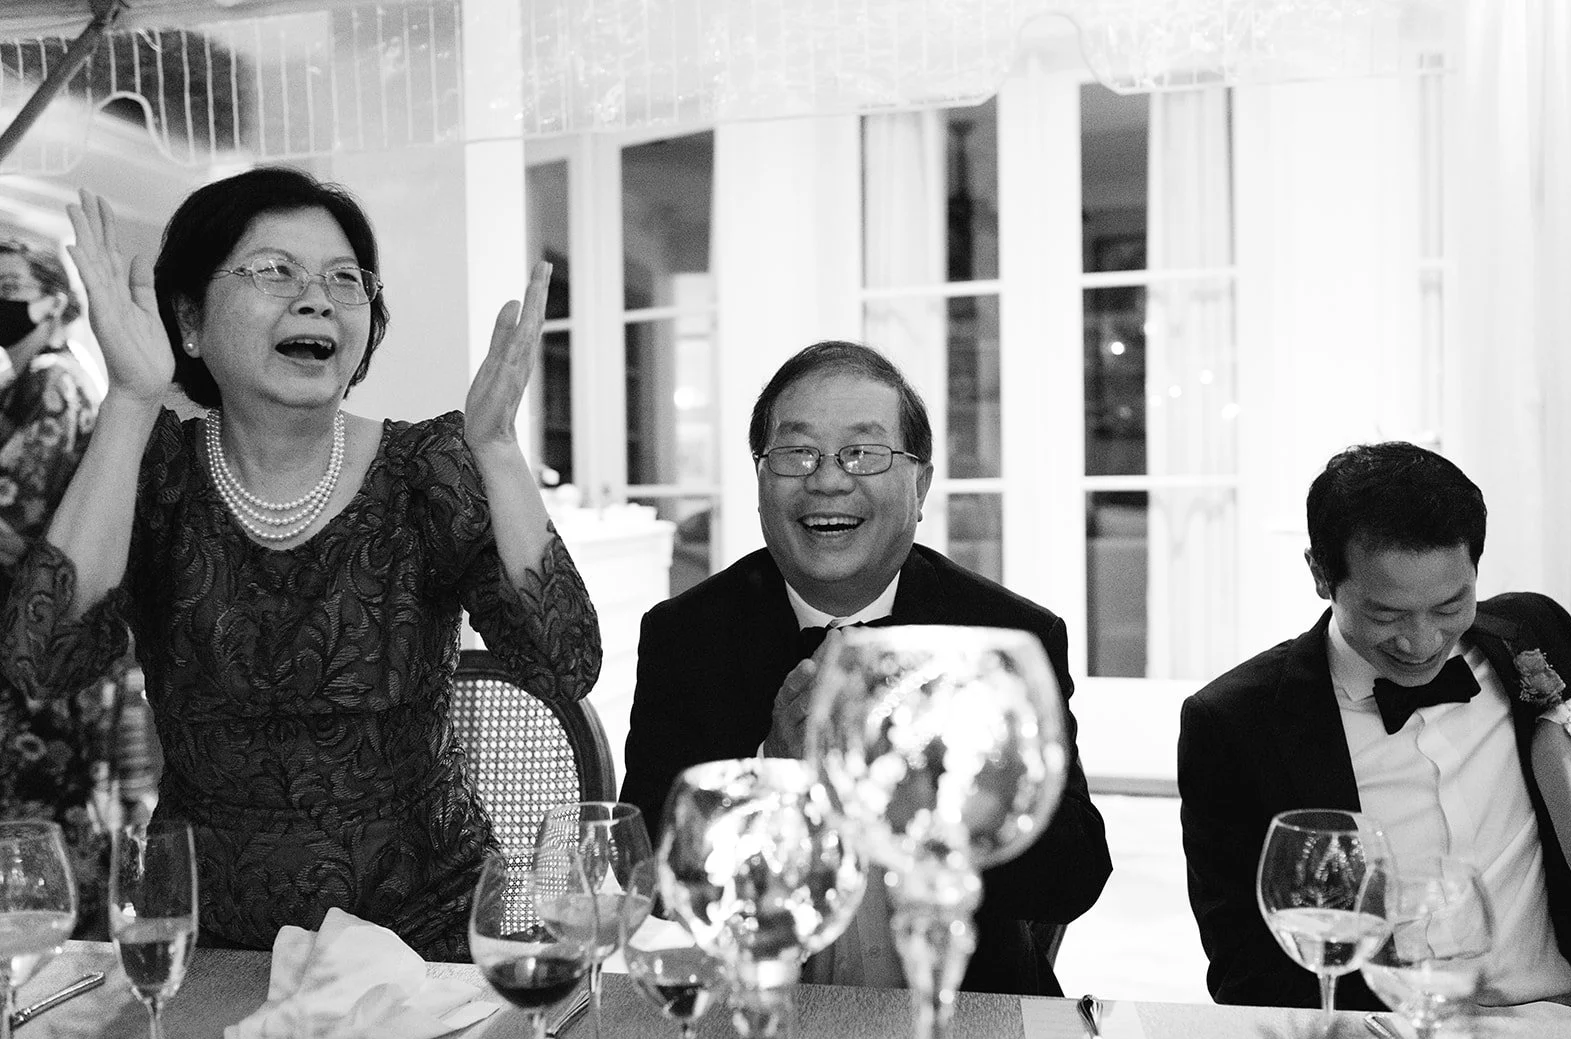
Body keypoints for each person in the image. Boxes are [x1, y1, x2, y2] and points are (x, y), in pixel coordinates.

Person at [0, 168, 602, 962]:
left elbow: (565, 662)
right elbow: (42, 659)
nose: (315, 298)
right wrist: (130, 401)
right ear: (190, 320)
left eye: (343, 279)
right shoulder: (155, 473)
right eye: (273, 271)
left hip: (425, 947)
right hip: (208, 947)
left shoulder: (427, 468)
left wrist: (495, 450)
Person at [618, 339, 1111, 996]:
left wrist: (924, 787)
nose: (828, 479)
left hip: (963, 1013)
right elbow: (645, 871)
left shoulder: (1005, 638)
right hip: (751, 1010)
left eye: (863, 452)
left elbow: (1073, 875)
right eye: (797, 453)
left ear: (921, 483)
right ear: (761, 478)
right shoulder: (688, 635)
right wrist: (772, 775)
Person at [1179, 441, 1571, 1010]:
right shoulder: (1236, 723)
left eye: (1450, 605)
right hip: (1377, 1037)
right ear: (1320, 575)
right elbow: (1246, 962)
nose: (1423, 641)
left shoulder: (1534, 633)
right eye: (1386, 614)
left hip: (1566, 1025)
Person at [0, 238, 118, 935]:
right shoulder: (34, 380)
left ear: (53, 298)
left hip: (41, 637)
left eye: (12, 285)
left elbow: (15, 513)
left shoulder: (52, 382)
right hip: (42, 634)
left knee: (42, 811)